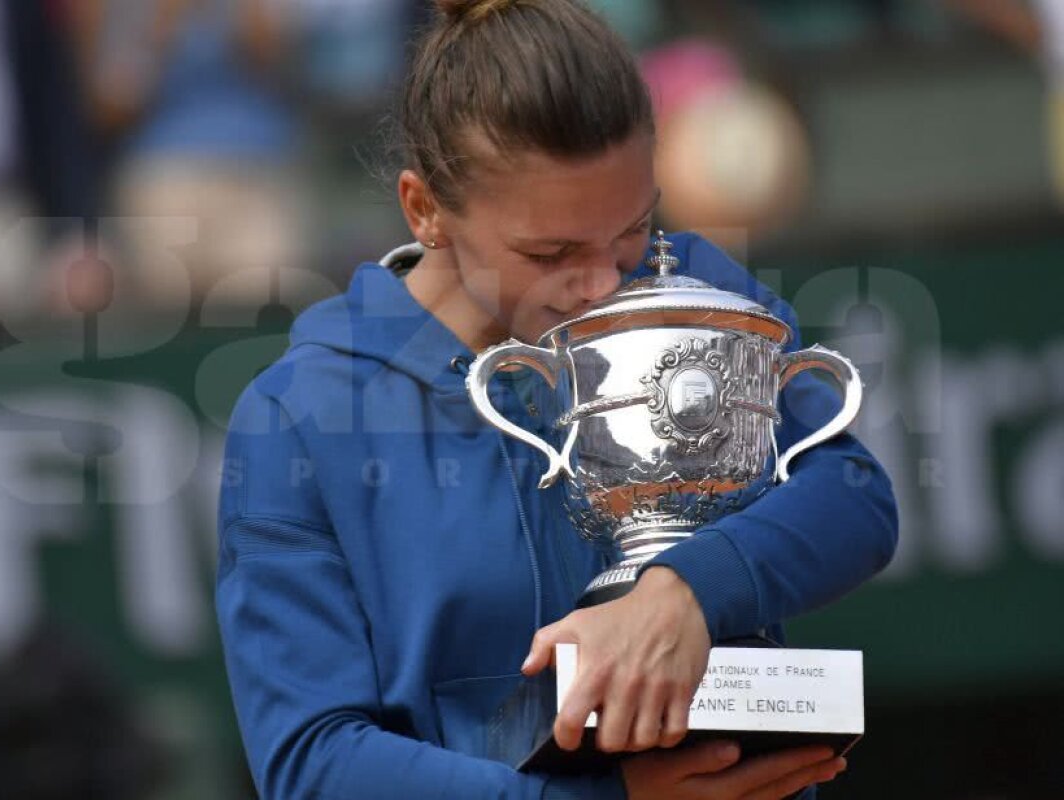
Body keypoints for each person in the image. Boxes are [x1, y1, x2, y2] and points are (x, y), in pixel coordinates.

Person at [215, 1, 898, 798]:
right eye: (551, 252)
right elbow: (313, 762)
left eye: (632, 230)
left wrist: (682, 592)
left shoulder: (693, 289)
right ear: (424, 209)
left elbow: (855, 497)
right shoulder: (296, 416)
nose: (602, 283)